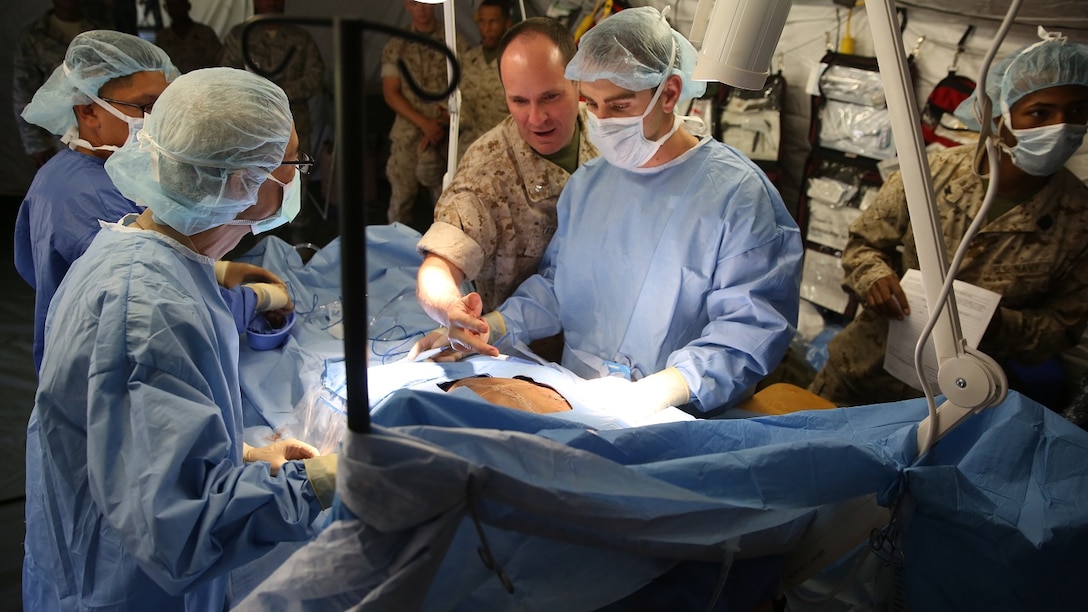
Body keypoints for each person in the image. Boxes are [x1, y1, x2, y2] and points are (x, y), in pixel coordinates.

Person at [22, 67, 337, 611]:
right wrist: (327, 480)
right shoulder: (146, 310)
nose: (297, 177)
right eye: (292, 162)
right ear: (241, 181)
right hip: (121, 592)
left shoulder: (141, 253)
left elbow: (132, 438)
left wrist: (243, 455)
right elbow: (184, 532)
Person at [414, 7, 803, 418]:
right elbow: (559, 287)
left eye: (618, 107)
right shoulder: (589, 184)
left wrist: (665, 388)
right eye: (592, 105)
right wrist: (493, 325)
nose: (601, 122)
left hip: (679, 418)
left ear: (670, 93)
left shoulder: (738, 197)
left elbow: (750, 330)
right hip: (577, 401)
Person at [808, 32, 1088, 408]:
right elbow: (864, 243)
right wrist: (873, 277)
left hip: (959, 397)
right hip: (864, 370)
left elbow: (1063, 327)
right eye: (1039, 113)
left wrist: (996, 326)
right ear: (997, 113)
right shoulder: (932, 172)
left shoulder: (1079, 219)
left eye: (1076, 112)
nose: (1060, 127)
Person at [15, 30, 289, 375]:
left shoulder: (64, 171)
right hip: (107, 372)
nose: (160, 120)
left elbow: (33, 265)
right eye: (147, 107)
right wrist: (259, 300)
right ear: (88, 111)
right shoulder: (94, 206)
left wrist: (218, 270)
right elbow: (166, 313)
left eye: (164, 105)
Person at [415, 17, 599, 339]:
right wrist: (450, 307)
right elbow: (439, 265)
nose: (537, 118)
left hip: (608, 328)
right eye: (519, 101)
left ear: (578, 82)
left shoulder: (608, 135)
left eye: (551, 97)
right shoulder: (488, 171)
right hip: (528, 345)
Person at [382, 0, 468, 226]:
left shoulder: (454, 41)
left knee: (448, 204)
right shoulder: (396, 45)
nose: (421, 9)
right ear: (406, 6)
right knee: (401, 202)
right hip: (408, 135)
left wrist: (439, 123)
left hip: (444, 133)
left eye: (424, 3)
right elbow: (391, 93)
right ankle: (395, 255)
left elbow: (467, 88)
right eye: (414, 4)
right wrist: (425, 124)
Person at [221, 0, 325, 153]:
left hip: (293, 123)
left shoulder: (300, 37)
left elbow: (316, 75)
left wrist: (282, 92)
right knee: (253, 176)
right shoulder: (239, 36)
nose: (272, 2)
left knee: (295, 172)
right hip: (251, 124)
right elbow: (227, 76)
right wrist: (257, 94)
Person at [12, 0, 97, 168]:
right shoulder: (35, 35)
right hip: (55, 139)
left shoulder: (98, 32)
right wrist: (35, 143)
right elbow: (23, 91)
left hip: (98, 130)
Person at [455, 0, 514, 158]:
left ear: (507, 23)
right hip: (469, 150)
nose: (486, 29)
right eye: (482, 21)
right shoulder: (469, 59)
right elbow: (462, 104)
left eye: (493, 22)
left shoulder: (516, 61)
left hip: (505, 149)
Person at [155, 0, 223, 73]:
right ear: (166, 8)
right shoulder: (162, 38)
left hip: (203, 81)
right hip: (173, 83)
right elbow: (157, 67)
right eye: (171, 6)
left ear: (188, 6)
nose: (176, 9)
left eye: (179, 5)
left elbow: (220, 62)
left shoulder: (205, 34)